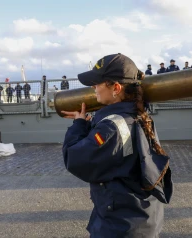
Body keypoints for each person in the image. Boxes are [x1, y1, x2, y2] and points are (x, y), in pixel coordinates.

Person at [61, 53, 173, 237]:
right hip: (138, 218)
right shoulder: (136, 115)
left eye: (97, 82)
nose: (93, 87)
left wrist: (79, 125)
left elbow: (75, 159)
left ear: (116, 88)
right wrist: (90, 123)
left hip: (120, 226)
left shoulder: (112, 126)